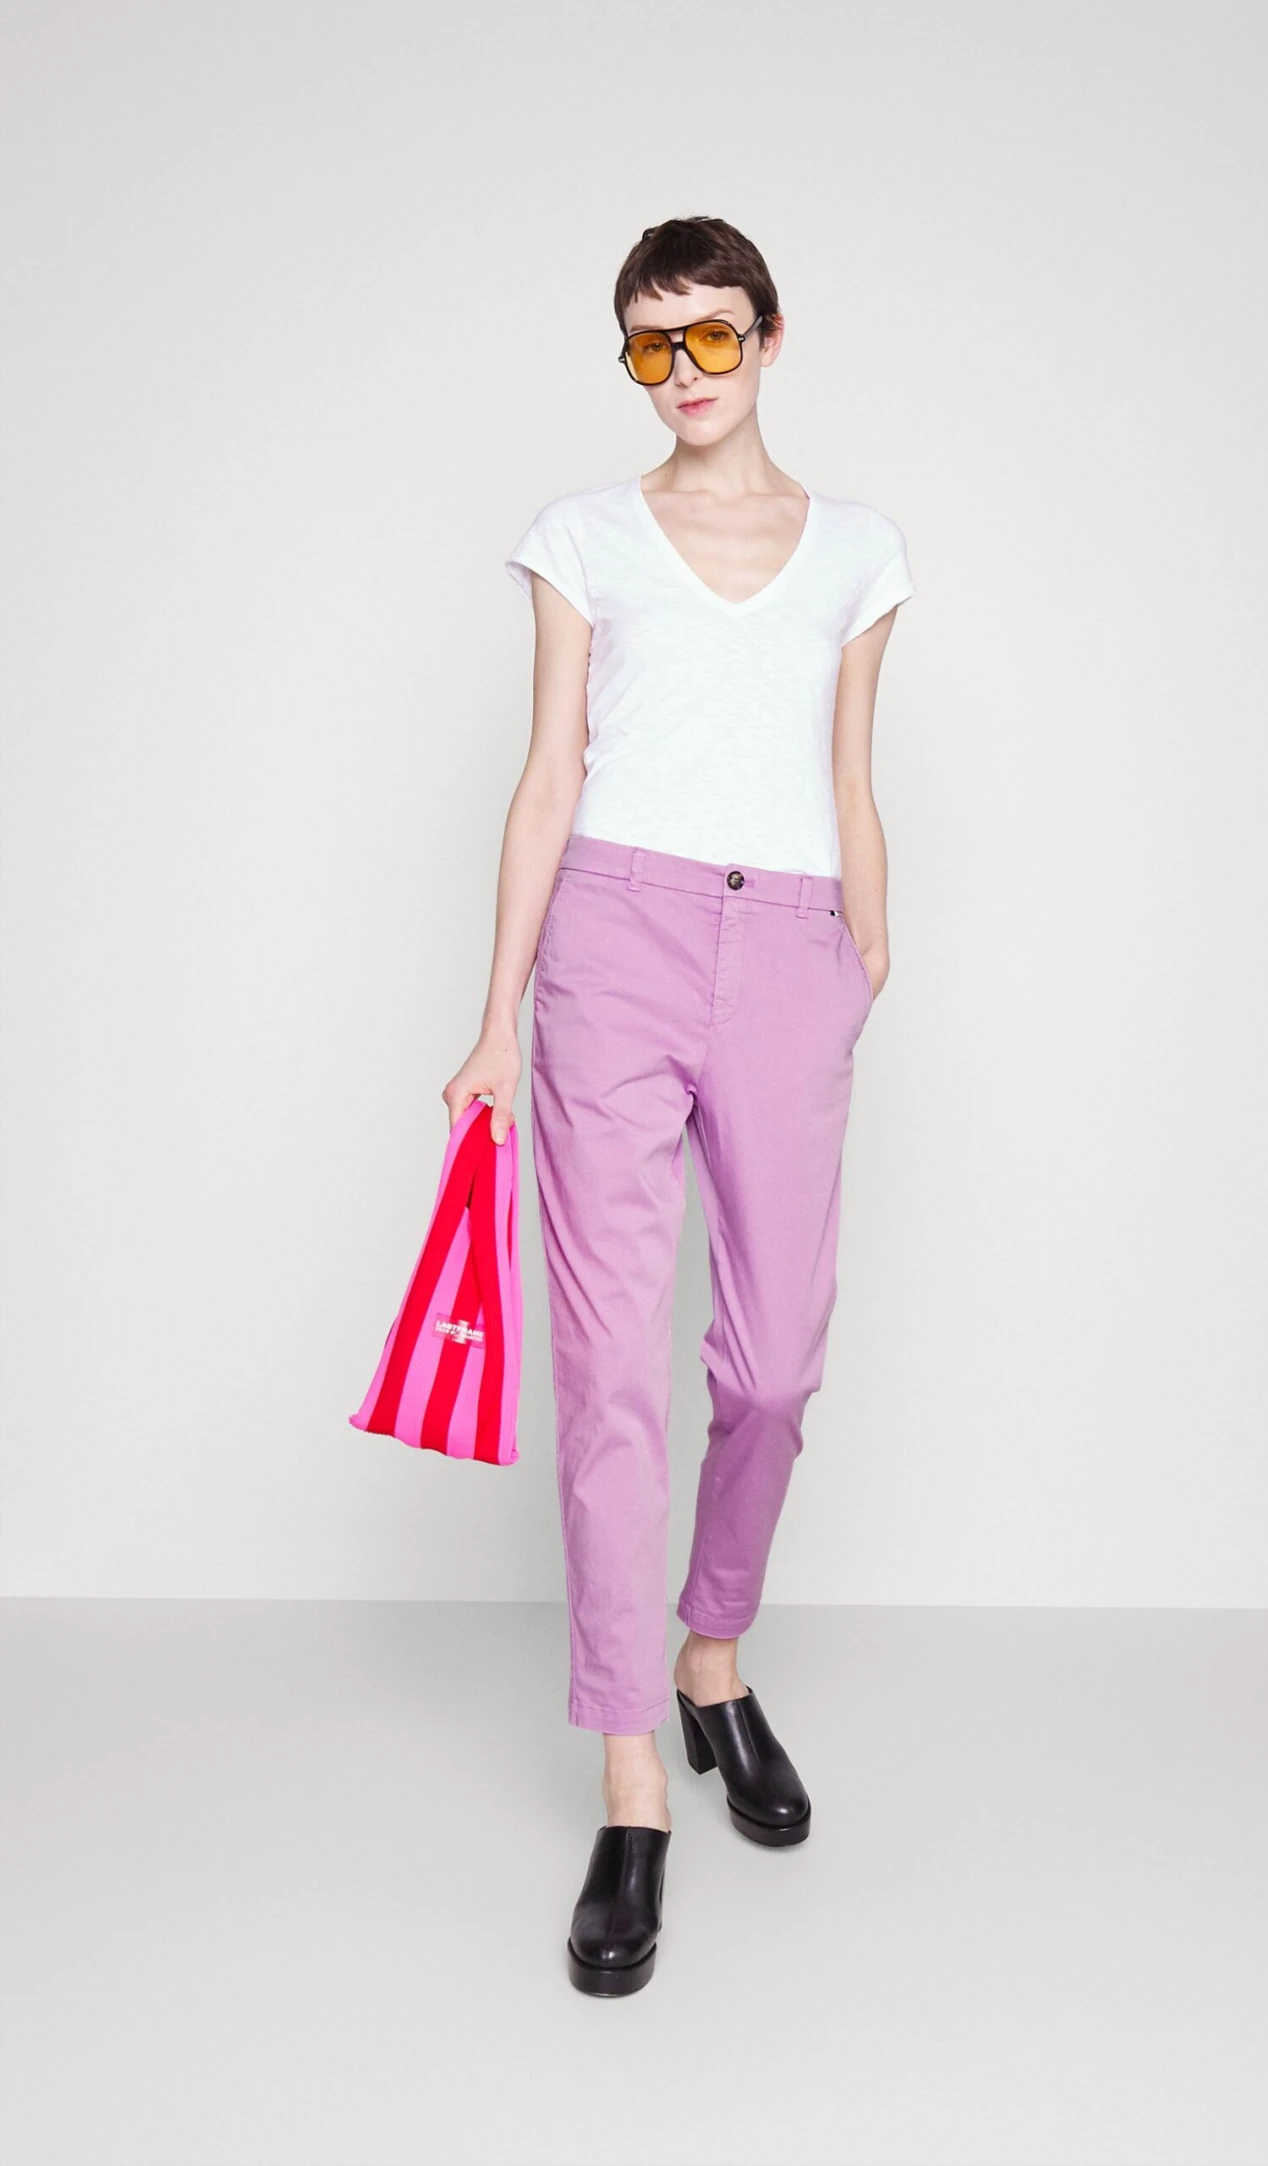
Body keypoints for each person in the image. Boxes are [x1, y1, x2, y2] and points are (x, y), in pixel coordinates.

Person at [442, 215, 914, 1995]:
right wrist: (497, 1017)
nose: (684, 373)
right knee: (612, 1372)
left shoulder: (859, 549)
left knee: (773, 1363)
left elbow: (850, 771)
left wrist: (863, 951)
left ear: (771, 337)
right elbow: (546, 772)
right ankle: (633, 1772)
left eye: (711, 336)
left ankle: (715, 1651)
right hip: (613, 940)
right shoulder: (583, 536)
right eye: (653, 345)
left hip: (791, 942)